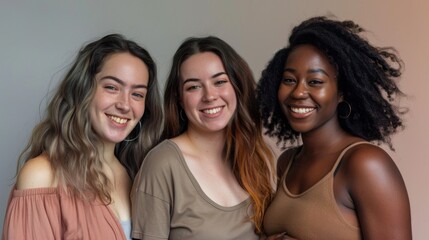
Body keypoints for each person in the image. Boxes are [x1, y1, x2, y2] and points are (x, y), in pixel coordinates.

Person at [257, 16, 412, 239]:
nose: (298, 92)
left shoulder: (365, 163)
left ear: (342, 92)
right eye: (289, 80)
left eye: (315, 82)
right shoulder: (288, 162)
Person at [2, 34, 163, 240]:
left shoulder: (136, 172)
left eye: (137, 94)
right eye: (111, 87)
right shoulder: (42, 175)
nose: (125, 104)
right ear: (83, 90)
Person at [131, 36, 275, 239]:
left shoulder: (255, 156)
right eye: (194, 86)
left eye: (219, 82)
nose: (209, 96)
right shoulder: (162, 164)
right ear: (180, 99)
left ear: (237, 86)